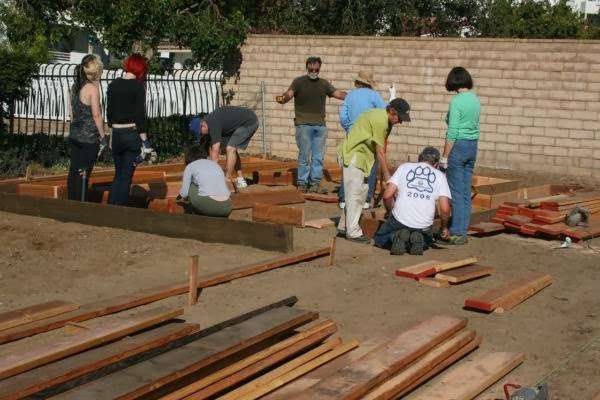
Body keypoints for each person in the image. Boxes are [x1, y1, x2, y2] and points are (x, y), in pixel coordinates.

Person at [337, 98, 411, 243]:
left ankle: (344, 226)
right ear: (392, 111)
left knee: (361, 192)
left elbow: (381, 149)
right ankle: (352, 232)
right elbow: (380, 152)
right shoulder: (381, 121)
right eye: (400, 118)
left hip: (363, 158)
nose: (400, 122)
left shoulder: (387, 121)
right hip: (354, 155)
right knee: (355, 194)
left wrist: (384, 177)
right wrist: (388, 178)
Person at [276, 56, 346, 193]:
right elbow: (289, 94)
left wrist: (355, 95)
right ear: (307, 67)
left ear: (320, 69)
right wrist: (283, 98)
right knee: (304, 156)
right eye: (311, 68)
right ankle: (302, 183)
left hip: (320, 126)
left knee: (318, 157)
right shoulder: (298, 82)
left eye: (316, 69)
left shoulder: (324, 84)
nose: (314, 71)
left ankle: (314, 183)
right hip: (303, 126)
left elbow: (338, 94)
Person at [374, 147, 451, 255]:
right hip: (423, 225)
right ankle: (419, 238)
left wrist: (389, 211)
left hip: (399, 219)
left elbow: (387, 196)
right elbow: (445, 209)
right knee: (426, 241)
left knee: (380, 238)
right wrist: (444, 228)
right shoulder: (440, 176)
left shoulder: (404, 167)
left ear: (419, 158)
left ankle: (396, 236)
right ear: (436, 164)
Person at [338, 71, 395, 210]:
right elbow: (385, 112)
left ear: (357, 83)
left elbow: (343, 116)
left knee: (349, 164)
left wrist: (349, 129)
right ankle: (366, 199)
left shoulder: (350, 95)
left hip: (353, 133)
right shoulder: (374, 95)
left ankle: (344, 198)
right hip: (369, 134)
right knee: (371, 166)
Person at [440, 67, 481, 245]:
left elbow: (453, 131)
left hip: (458, 146)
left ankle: (456, 232)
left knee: (455, 192)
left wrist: (444, 156)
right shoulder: (475, 99)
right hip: (472, 146)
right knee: (465, 192)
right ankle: (462, 230)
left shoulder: (456, 101)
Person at [107, 54, 154, 206]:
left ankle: (111, 206)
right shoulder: (138, 87)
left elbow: (109, 114)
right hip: (131, 133)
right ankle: (119, 210)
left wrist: (111, 135)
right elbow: (140, 116)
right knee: (126, 175)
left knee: (118, 173)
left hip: (116, 134)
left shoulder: (113, 85)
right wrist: (145, 142)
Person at [189, 106, 258, 189]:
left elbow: (215, 150)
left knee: (230, 148)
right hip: (236, 124)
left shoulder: (212, 123)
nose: (202, 135)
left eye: (201, 133)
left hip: (249, 122)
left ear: (203, 125)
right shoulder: (209, 122)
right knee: (231, 147)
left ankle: (226, 180)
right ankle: (240, 179)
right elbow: (211, 148)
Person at [67, 54, 106, 201]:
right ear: (96, 72)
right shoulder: (92, 89)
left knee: (73, 171)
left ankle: (72, 202)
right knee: (84, 174)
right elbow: (96, 115)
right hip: (89, 138)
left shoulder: (75, 87)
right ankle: (81, 205)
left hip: (75, 135)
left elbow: (71, 113)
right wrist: (103, 136)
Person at [177, 143, 232, 217]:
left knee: (191, 184)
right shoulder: (215, 164)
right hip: (227, 206)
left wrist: (179, 199)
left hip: (208, 206)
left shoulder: (190, 166)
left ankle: (196, 212)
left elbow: (184, 193)